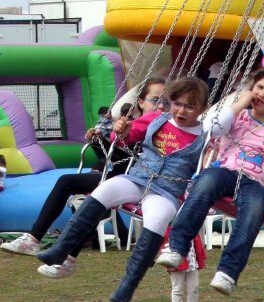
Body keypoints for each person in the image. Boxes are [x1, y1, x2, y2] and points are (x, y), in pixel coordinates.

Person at [36, 77, 211, 302]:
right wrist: (122, 130)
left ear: (202, 109)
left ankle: (127, 286)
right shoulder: (157, 119)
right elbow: (124, 137)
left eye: (190, 106)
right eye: (177, 103)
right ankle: (61, 249)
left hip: (167, 192)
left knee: (157, 221)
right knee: (105, 189)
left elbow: (208, 165)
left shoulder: (205, 135)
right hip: (137, 178)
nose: (181, 110)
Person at [156, 60, 264, 296]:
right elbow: (211, 129)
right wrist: (238, 105)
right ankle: (176, 247)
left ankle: (227, 272)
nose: (263, 94)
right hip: (225, 172)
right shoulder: (236, 118)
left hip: (257, 185)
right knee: (205, 182)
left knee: (255, 210)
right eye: (260, 87)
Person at [1, 77, 166, 276]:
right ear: (141, 101)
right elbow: (116, 156)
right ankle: (50, 249)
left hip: (133, 179)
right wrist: (98, 141)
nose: (161, 105)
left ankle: (43, 243)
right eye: (155, 100)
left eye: (166, 101)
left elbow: (129, 158)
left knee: (76, 188)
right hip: (118, 175)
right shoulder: (131, 125)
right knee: (80, 192)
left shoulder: (160, 126)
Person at [161, 231, 206, 302]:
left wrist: (200, 257)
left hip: (192, 261)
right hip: (176, 263)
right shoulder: (169, 229)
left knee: (194, 288)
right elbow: (164, 243)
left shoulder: (192, 226)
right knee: (178, 289)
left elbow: (197, 242)